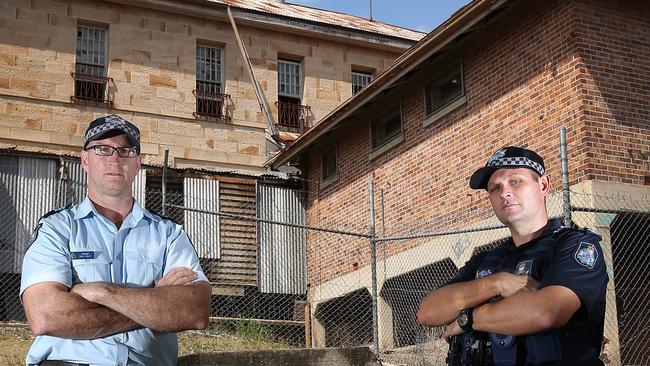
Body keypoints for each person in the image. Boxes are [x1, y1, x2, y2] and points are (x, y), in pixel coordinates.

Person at [20, 115, 212, 366]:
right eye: (102, 149)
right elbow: (45, 316)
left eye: (125, 151)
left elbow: (195, 311)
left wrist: (102, 292)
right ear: (85, 160)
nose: (114, 159)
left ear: (138, 164)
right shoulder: (57, 229)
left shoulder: (169, 234)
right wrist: (154, 300)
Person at [417, 146, 608, 365]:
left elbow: (546, 313)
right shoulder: (485, 261)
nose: (504, 192)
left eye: (515, 181)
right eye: (495, 187)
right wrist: (496, 283)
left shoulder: (574, 245)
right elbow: (428, 312)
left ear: (544, 185)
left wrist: (468, 318)